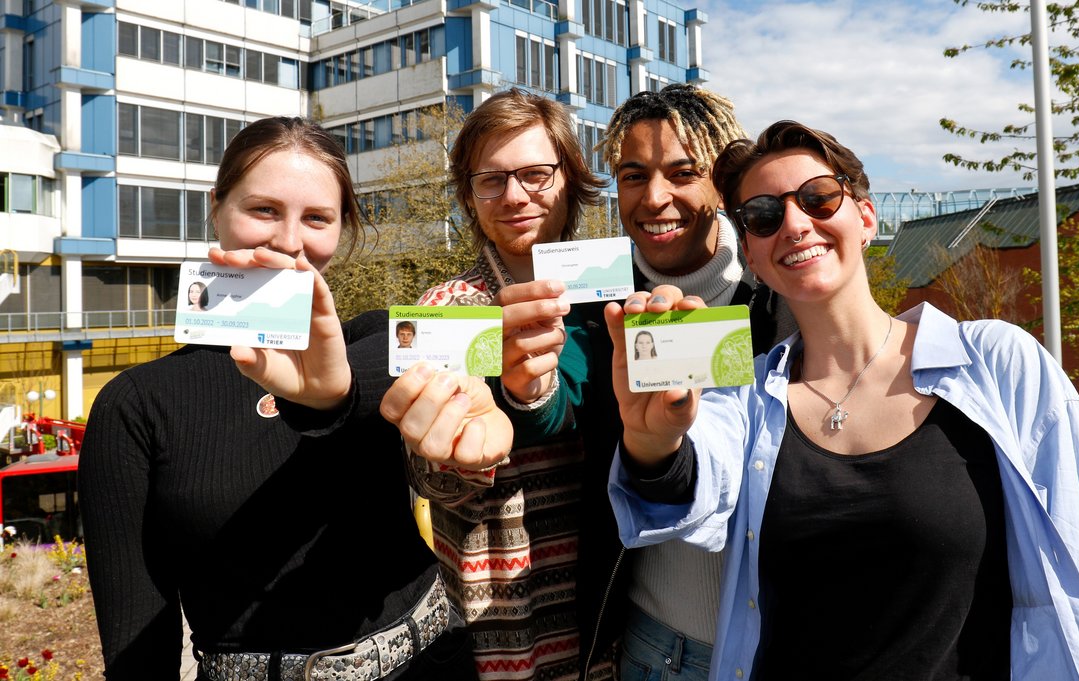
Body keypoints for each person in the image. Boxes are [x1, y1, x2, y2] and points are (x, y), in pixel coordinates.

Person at [605, 121, 1079, 680]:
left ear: (866, 218)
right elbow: (693, 486)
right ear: (752, 255)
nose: (795, 223)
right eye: (762, 215)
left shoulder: (999, 364)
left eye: (819, 198)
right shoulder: (749, 394)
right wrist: (651, 441)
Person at [80, 116, 512, 681]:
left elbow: (486, 391)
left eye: (316, 218)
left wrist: (493, 423)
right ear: (217, 207)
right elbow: (140, 652)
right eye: (263, 209)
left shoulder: (386, 338)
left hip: (431, 666)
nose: (289, 241)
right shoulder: (134, 407)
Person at [404, 88, 621, 681]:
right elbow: (430, 481)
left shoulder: (616, 302)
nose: (515, 195)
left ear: (571, 179)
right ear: (469, 199)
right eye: (491, 180)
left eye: (534, 173)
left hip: (616, 619)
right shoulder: (447, 309)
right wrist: (456, 450)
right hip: (509, 636)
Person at [595, 84, 795, 680]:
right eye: (633, 176)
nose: (656, 198)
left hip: (772, 645)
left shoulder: (782, 292)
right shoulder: (600, 304)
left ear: (721, 180)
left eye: (683, 172)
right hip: (648, 646)